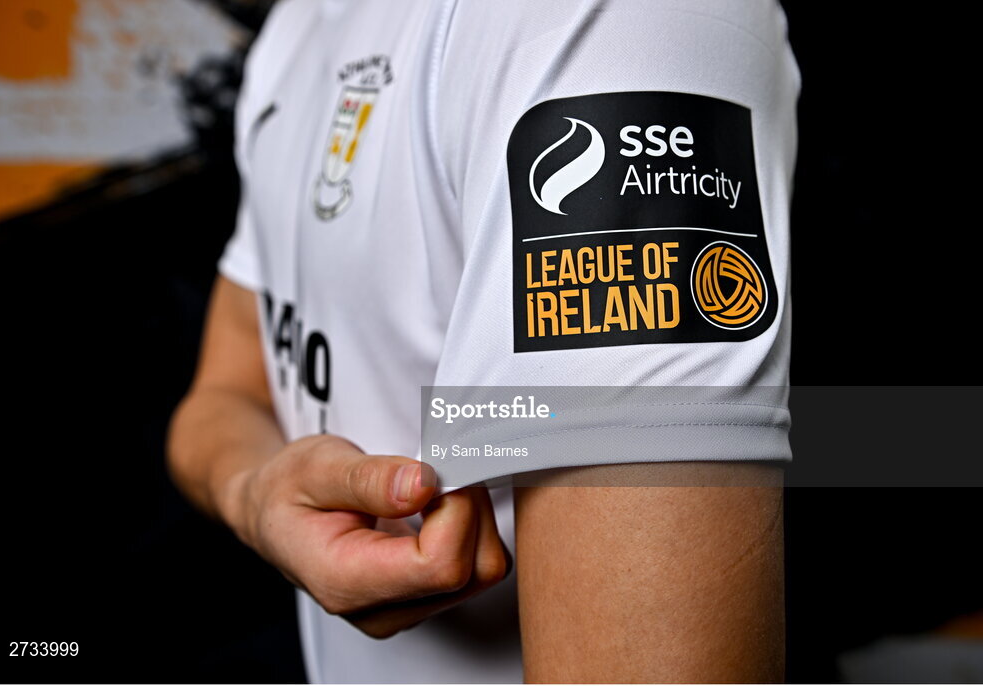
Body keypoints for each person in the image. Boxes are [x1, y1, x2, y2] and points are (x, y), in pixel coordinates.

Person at [167, 0, 800, 681]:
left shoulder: (606, 19)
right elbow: (227, 388)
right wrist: (255, 496)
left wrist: (478, 432)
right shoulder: (297, 27)